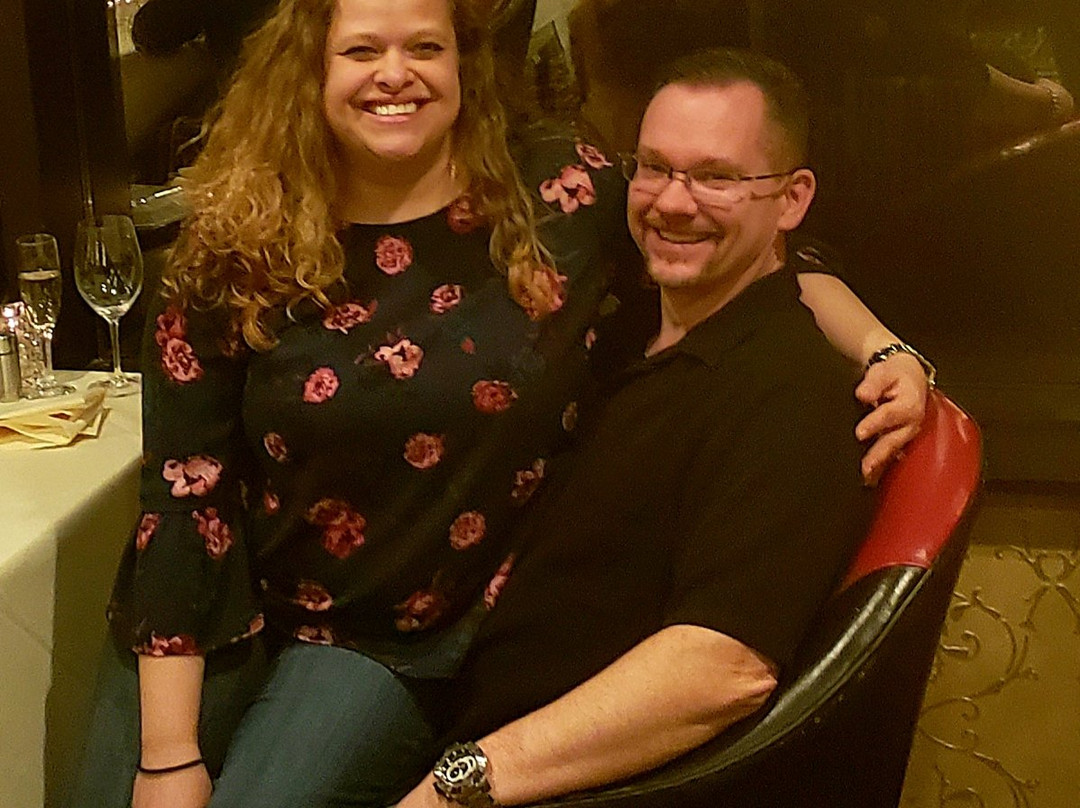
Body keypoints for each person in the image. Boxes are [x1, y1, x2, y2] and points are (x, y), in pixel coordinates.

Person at [67, 2, 927, 807]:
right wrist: (167, 752)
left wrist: (883, 347)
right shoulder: (232, 238)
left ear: (465, 61)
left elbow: (740, 251)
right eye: (361, 49)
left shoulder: (559, 195)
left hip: (393, 641)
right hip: (214, 607)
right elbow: (183, 489)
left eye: (425, 46)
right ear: (310, 66)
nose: (394, 73)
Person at [397, 47, 883, 807]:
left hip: (555, 786)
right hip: (440, 707)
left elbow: (721, 670)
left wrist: (458, 786)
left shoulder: (793, 395)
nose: (672, 203)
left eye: (717, 177)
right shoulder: (622, 327)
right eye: (654, 167)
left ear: (791, 200)